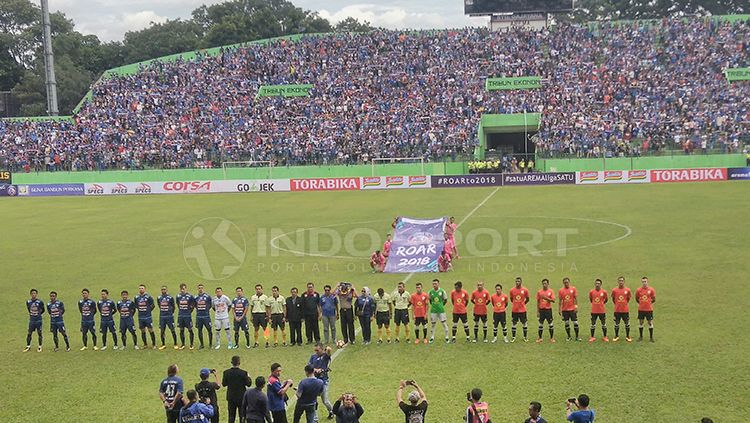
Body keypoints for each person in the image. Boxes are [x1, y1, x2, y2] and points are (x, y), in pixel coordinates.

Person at [223, 355, 252, 423]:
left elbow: (224, 384)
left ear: (231, 362)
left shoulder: (226, 372)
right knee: (242, 416)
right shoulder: (243, 373)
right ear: (239, 363)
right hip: (241, 397)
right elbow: (248, 384)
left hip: (231, 397)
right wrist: (249, 377)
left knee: (231, 416)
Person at [309, 343, 334, 419]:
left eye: (317, 350)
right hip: (314, 381)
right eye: (315, 350)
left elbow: (329, 351)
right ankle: (315, 418)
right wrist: (315, 370)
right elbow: (309, 367)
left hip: (323, 381)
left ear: (322, 349)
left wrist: (328, 349)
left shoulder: (325, 356)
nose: (316, 352)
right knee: (314, 401)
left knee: (325, 401)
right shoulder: (313, 357)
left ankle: (331, 411)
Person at [428, 279, 450, 343]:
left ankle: (447, 337)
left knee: (444, 323)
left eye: (435, 284)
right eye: (433, 284)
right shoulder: (430, 292)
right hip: (433, 311)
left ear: (438, 284)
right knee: (433, 324)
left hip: (441, 311)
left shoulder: (442, 291)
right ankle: (432, 337)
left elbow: (445, 300)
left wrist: (441, 305)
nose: (434, 285)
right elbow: (430, 300)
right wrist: (434, 305)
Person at [558, 277, 580, 341]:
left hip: (572, 310)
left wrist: (576, 307)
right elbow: (560, 301)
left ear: (569, 282)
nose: (566, 283)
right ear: (563, 283)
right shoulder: (561, 290)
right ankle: (569, 336)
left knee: (575, 323)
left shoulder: (573, 289)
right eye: (565, 283)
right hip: (565, 310)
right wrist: (559, 310)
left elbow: (575, 298)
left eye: (567, 282)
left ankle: (577, 337)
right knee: (566, 323)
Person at [135, 284, 156, 349]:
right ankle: (145, 344)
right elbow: (136, 305)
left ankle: (154, 344)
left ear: (145, 289)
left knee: (150, 330)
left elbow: (153, 305)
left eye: (142, 288)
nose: (141, 289)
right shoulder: (136, 297)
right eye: (140, 288)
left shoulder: (148, 297)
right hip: (140, 317)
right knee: (143, 331)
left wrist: (148, 311)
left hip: (148, 317)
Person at [157, 286, 179, 350]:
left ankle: (175, 344)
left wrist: (170, 313)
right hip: (162, 317)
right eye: (162, 289)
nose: (163, 290)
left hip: (169, 317)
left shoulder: (170, 298)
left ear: (167, 290)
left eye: (164, 289)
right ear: (161, 290)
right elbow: (159, 305)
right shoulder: (159, 298)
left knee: (172, 330)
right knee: (162, 331)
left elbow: (173, 306)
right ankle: (163, 344)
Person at [611, 277, 632, 342]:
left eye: (622, 281)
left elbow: (628, 299)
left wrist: (624, 304)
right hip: (617, 310)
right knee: (616, 323)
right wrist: (617, 304)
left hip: (625, 310)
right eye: (620, 281)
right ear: (618, 282)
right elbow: (613, 299)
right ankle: (616, 336)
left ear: (624, 282)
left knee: (627, 323)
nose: (621, 282)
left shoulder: (627, 290)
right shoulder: (614, 290)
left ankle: (628, 336)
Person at [509, 277, 530, 342]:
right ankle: (513, 337)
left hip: (522, 310)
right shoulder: (512, 290)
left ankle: (525, 337)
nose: (517, 282)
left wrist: (523, 304)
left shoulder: (525, 290)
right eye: (516, 281)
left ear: (521, 282)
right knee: (514, 323)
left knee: (524, 323)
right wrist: (516, 304)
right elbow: (511, 299)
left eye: (519, 281)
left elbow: (528, 299)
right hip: (514, 310)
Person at [635, 276, 656, 342]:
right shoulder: (639, 290)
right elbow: (636, 298)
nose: (644, 283)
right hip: (641, 309)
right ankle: (641, 337)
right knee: (641, 322)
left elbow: (654, 299)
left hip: (649, 310)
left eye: (645, 282)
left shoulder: (651, 290)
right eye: (643, 282)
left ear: (647, 282)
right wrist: (641, 304)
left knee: (650, 323)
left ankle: (651, 337)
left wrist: (649, 303)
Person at [24, 288, 45, 352]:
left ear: (36, 294)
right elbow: (29, 309)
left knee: (39, 333)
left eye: (35, 293)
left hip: (38, 320)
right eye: (32, 293)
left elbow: (43, 310)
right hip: (32, 320)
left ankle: (39, 346)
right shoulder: (28, 302)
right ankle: (28, 346)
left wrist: (38, 314)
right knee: (29, 333)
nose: (34, 295)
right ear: (30, 294)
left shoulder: (40, 302)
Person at [535, 279, 555, 343]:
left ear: (548, 284)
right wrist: (538, 311)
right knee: (540, 324)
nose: (544, 285)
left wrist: (546, 298)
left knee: (550, 324)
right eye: (543, 283)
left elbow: (553, 300)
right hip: (541, 310)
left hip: (548, 310)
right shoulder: (539, 292)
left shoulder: (551, 291)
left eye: (545, 283)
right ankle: (540, 338)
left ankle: (551, 338)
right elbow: (538, 302)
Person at [176, 283, 195, 350]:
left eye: (183, 289)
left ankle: (191, 344)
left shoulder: (190, 296)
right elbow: (178, 304)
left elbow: (193, 305)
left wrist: (189, 312)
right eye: (181, 289)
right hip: (181, 316)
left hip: (187, 316)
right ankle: (183, 344)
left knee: (190, 329)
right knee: (181, 330)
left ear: (186, 288)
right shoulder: (178, 296)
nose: (182, 290)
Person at [194, 283, 214, 349]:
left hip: (206, 316)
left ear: (203, 288)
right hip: (199, 317)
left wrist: (207, 310)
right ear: (198, 289)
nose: (200, 289)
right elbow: (194, 305)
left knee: (209, 330)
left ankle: (210, 344)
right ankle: (201, 344)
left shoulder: (208, 297)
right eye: (199, 288)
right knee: (199, 330)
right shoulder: (196, 297)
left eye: (201, 288)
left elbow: (211, 305)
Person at [250, 284, 270, 348]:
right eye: (257, 289)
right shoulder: (253, 297)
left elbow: (267, 307)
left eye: (259, 289)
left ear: (262, 289)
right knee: (256, 328)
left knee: (265, 328)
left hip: (263, 314)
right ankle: (256, 342)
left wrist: (268, 316)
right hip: (255, 314)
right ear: (255, 290)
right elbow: (252, 307)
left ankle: (267, 342)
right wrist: (251, 316)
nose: (258, 290)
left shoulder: (265, 297)